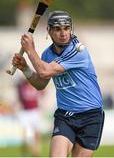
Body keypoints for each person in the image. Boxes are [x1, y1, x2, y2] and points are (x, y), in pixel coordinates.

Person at [12, 10, 105, 157]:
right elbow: (41, 83)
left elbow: (44, 71)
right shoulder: (47, 54)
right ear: (48, 30)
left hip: (90, 115)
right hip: (65, 116)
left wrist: (30, 50)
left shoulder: (78, 51)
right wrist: (25, 69)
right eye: (58, 29)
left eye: (67, 28)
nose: (63, 33)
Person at [16, 79, 43, 157]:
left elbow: (42, 93)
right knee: (25, 132)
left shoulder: (36, 86)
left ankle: (36, 149)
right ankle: (25, 149)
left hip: (35, 111)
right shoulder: (22, 86)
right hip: (25, 111)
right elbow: (20, 97)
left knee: (37, 132)